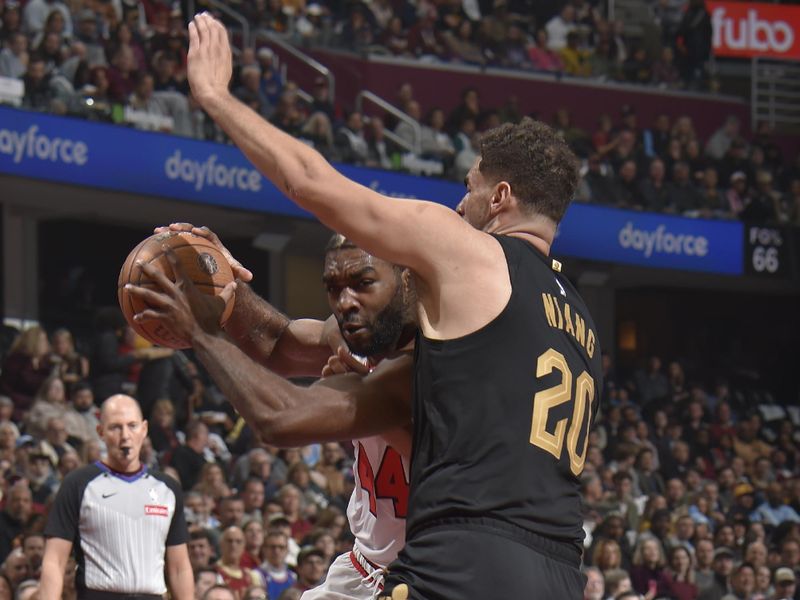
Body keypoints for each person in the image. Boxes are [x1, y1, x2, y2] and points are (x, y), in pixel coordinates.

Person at [139, 13, 602, 600]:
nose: (461, 205)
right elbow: (284, 343)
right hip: (558, 569)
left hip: (467, 556)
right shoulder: (580, 323)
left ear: (501, 197)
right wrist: (226, 298)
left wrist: (214, 96)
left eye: (470, 187)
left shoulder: (475, 257)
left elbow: (313, 183)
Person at [133, 226, 417, 599]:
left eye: (363, 283)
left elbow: (280, 420)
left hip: (426, 573)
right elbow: (278, 343)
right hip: (362, 568)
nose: (346, 301)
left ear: (406, 281)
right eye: (333, 287)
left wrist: (202, 333)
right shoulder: (358, 332)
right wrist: (226, 288)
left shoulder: (439, 361)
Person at [39, 395, 194, 600]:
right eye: (115, 427)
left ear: (144, 429)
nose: (125, 435)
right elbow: (54, 561)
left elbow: (179, 567)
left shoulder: (167, 488)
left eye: (132, 425)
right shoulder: (78, 484)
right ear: (100, 432)